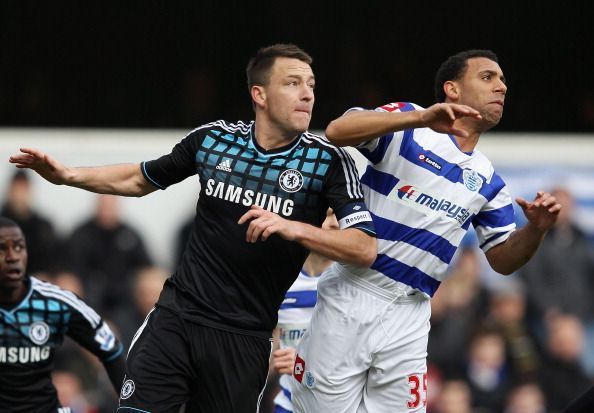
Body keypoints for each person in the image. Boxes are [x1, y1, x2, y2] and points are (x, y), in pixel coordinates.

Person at [9, 43, 377, 412]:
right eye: (293, 83)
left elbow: (364, 248)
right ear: (259, 94)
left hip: (244, 337)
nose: (307, 93)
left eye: (311, 84)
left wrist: (294, 228)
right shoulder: (214, 140)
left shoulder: (328, 161)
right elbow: (139, 178)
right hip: (178, 317)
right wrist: (67, 175)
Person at [292, 49, 561, 412]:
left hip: (413, 312)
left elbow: (501, 259)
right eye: (488, 77)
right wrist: (420, 117)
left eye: (502, 80)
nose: (502, 86)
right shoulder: (409, 125)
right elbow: (338, 131)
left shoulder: (489, 181)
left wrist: (536, 230)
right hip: (353, 294)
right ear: (451, 89)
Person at [0, 216, 125, 412]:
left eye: (18, 247)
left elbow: (111, 350)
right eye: (2, 248)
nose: (12, 256)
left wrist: (133, 407)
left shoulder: (55, 303)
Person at [269, 208, 337, 413]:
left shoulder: (356, 281)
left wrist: (307, 363)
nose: (334, 223)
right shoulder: (278, 278)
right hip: (289, 405)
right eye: (326, 215)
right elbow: (268, 354)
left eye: (338, 215)